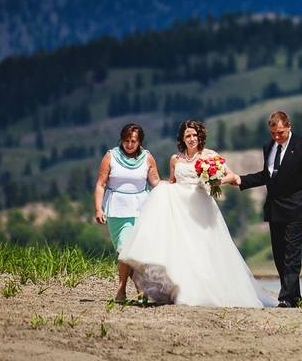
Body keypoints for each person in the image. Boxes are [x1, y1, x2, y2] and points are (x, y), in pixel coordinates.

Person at [118, 120, 276, 307]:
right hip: (180, 207)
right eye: (188, 136)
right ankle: (180, 289)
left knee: (204, 248)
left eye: (194, 135)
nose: (192, 139)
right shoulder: (175, 159)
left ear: (199, 136)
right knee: (183, 248)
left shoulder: (210, 156)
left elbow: (232, 176)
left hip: (201, 206)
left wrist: (215, 181)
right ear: (182, 139)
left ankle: (207, 289)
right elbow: (173, 182)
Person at [222, 110, 302, 308]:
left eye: (280, 133)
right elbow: (266, 176)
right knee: (279, 254)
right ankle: (294, 296)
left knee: (292, 254)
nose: (277, 137)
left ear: (288, 127)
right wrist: (240, 180)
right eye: (273, 133)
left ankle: (285, 297)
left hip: (296, 207)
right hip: (275, 208)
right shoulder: (268, 147)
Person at [94, 122, 161, 302]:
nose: (129, 144)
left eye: (133, 141)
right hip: (117, 208)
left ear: (139, 142)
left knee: (136, 251)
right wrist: (98, 208)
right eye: (126, 140)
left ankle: (131, 289)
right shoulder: (111, 156)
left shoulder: (147, 157)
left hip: (141, 207)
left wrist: (176, 186)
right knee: (124, 250)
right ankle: (126, 288)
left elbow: (155, 182)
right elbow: (101, 183)